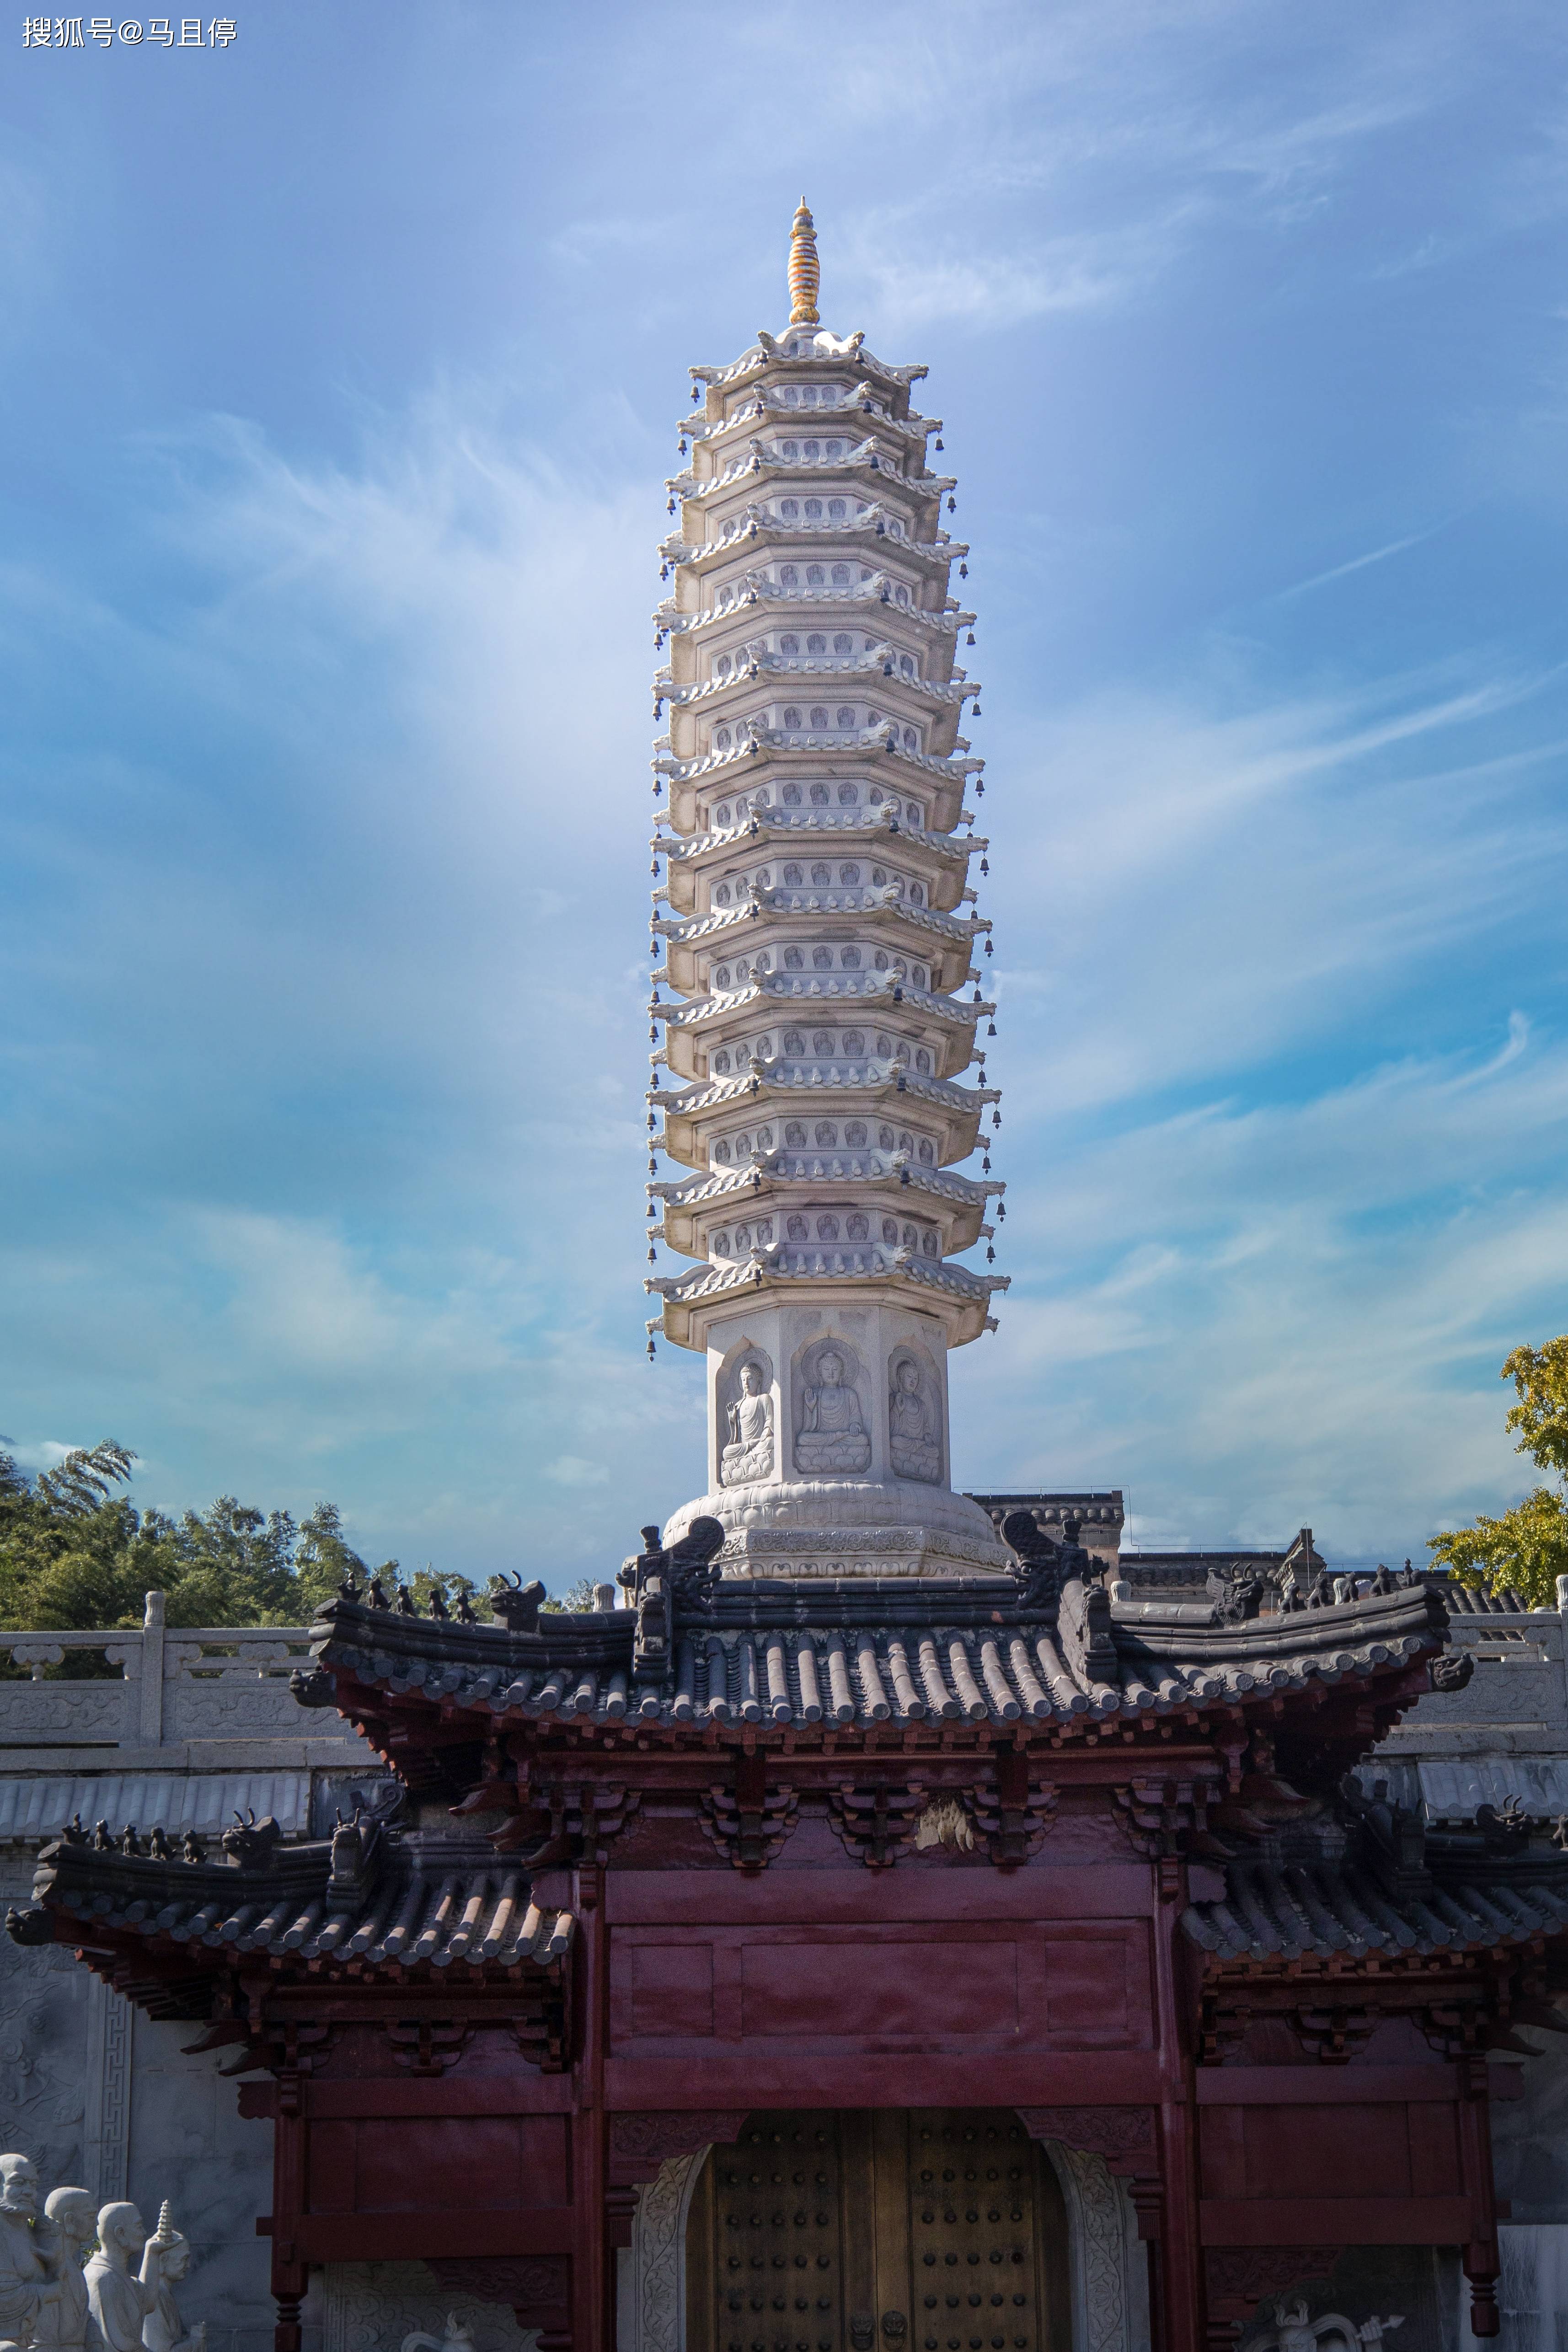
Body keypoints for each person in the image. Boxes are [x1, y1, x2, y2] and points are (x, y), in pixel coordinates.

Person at [0, 2154, 57, 2345]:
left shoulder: (31, 2231)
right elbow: (5, 2295)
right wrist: (49, 2293)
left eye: (33, 2185)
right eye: (18, 2182)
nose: (29, 2192)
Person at [34, 2189, 94, 2352]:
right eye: (90, 2217)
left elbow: (85, 2318)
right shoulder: (52, 2266)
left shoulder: (72, 2265)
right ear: (70, 2220)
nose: (96, 2224)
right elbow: (43, 2336)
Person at [721, 1361, 774, 1485]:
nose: (746, 1383)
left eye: (750, 1379)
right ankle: (752, 1458)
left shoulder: (763, 1399)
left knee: (770, 1442)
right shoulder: (738, 1405)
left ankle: (751, 1459)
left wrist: (766, 1431)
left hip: (760, 1443)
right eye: (743, 1380)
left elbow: (769, 1420)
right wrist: (733, 1420)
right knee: (726, 1452)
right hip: (746, 1447)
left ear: (759, 1381)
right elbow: (737, 1438)